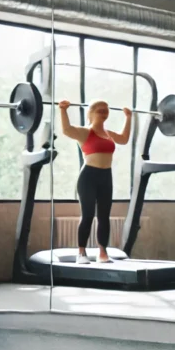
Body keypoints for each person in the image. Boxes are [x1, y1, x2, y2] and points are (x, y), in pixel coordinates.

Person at [57, 100, 132, 264]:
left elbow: (124, 139)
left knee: (104, 216)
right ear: (91, 113)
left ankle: (103, 252)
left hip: (106, 177)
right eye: (100, 110)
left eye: (106, 110)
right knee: (88, 215)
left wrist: (128, 117)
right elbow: (67, 130)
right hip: (88, 177)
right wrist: (63, 110)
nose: (104, 113)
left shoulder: (109, 134)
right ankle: (81, 252)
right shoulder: (85, 133)